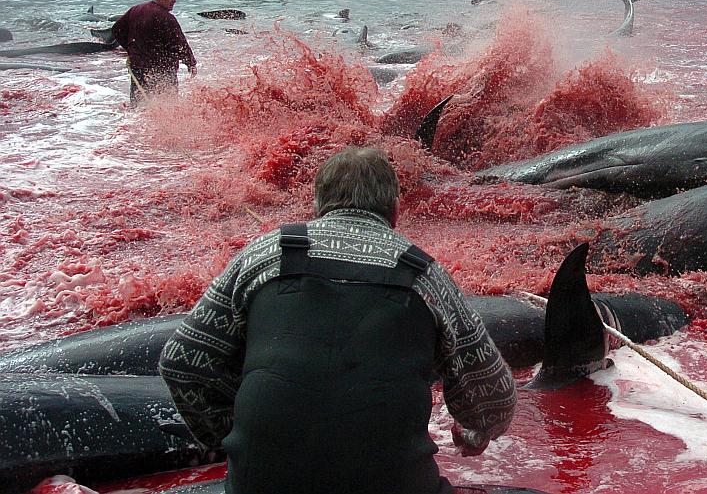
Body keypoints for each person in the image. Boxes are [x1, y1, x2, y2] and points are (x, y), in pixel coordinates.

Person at [159, 146, 516, 494]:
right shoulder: (424, 274)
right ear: (395, 212)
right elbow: (495, 397)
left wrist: (226, 434)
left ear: (317, 206)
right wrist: (474, 432)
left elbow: (181, 363)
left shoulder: (264, 254)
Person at [110, 0, 196, 105]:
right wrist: (191, 62)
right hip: (162, 69)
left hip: (138, 67)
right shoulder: (166, 18)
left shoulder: (136, 10)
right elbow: (180, 44)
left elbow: (117, 30)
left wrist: (131, 49)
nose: (174, 1)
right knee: (168, 105)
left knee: (138, 105)